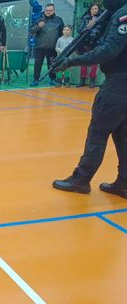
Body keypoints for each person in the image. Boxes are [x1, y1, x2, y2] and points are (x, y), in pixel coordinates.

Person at [52, 0, 127, 199]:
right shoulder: (115, 13)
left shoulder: (122, 15)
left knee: (98, 132)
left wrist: (70, 61)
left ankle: (81, 179)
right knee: (123, 135)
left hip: (119, 84)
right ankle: (124, 183)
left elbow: (109, 51)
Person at [29, 3, 64, 87]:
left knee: (52, 64)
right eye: (47, 10)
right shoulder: (39, 19)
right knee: (37, 64)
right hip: (39, 47)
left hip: (52, 47)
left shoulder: (59, 20)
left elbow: (62, 33)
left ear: (54, 10)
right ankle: (36, 79)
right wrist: (38, 26)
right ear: (44, 10)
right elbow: (31, 31)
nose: (48, 12)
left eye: (50, 10)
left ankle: (53, 79)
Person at [76, 4, 103, 88]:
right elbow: (79, 30)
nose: (94, 10)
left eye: (96, 9)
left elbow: (102, 31)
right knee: (84, 61)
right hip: (85, 43)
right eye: (92, 9)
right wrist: (88, 26)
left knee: (94, 63)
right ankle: (82, 80)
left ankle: (92, 80)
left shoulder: (102, 19)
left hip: (96, 43)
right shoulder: (85, 18)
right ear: (89, 10)